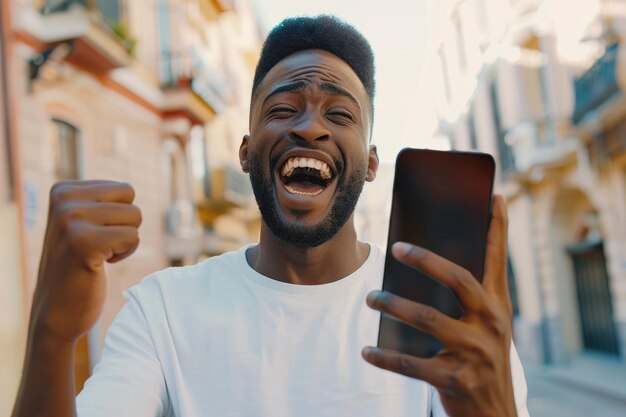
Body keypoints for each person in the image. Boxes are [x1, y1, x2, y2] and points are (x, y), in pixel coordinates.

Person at [12, 15, 529, 417]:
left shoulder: (442, 318)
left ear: (371, 163)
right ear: (245, 151)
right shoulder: (162, 311)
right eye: (282, 109)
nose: (310, 127)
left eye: (340, 113)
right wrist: (51, 335)